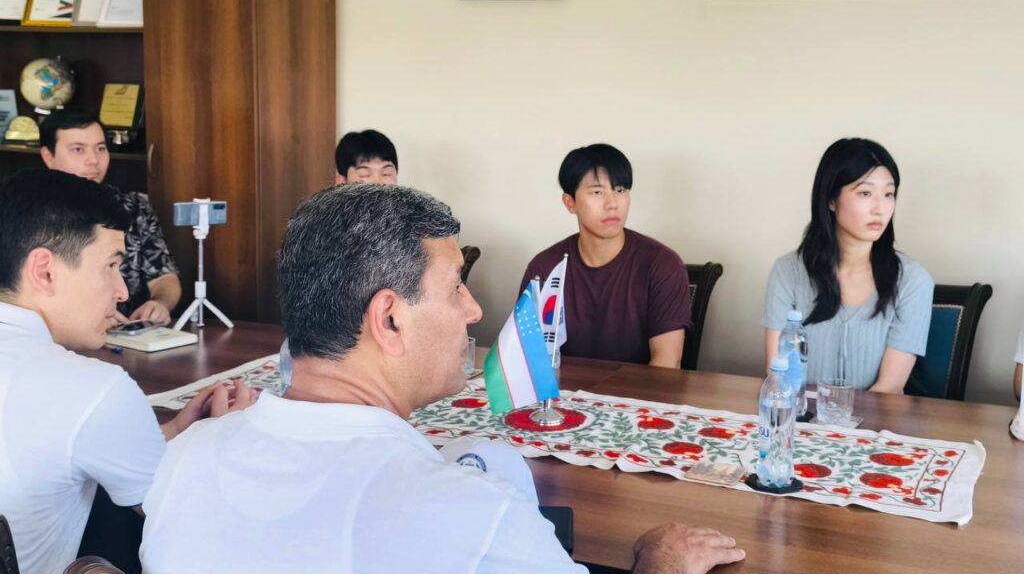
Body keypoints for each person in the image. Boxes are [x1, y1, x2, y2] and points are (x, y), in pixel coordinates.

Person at [139, 184, 744, 573]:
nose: (474, 310)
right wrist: (660, 562)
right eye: (456, 286)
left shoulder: (183, 460)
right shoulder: (465, 512)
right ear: (390, 319)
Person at [0, 169, 252, 574]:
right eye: (111, 265)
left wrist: (168, 434)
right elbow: (182, 511)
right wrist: (219, 438)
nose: (121, 291)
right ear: (45, 271)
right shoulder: (92, 388)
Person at [762, 138, 933, 393]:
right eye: (865, 193)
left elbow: (889, 387)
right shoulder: (787, 272)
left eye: (889, 194)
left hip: (878, 417)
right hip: (800, 414)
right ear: (831, 200)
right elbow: (778, 374)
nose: (880, 209)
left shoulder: (913, 281)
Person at [520, 143, 691, 368]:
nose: (612, 204)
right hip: (559, 389)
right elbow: (525, 356)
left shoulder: (662, 265)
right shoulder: (544, 268)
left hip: (638, 390)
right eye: (597, 192)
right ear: (570, 203)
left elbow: (667, 362)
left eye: (620, 190)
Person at [39, 109, 181, 326]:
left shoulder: (134, 207)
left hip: (127, 331)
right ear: (48, 156)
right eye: (78, 149)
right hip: (59, 336)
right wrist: (92, 317)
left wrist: (159, 304)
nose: (93, 160)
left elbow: (165, 277)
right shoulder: (29, 213)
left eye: (101, 148)